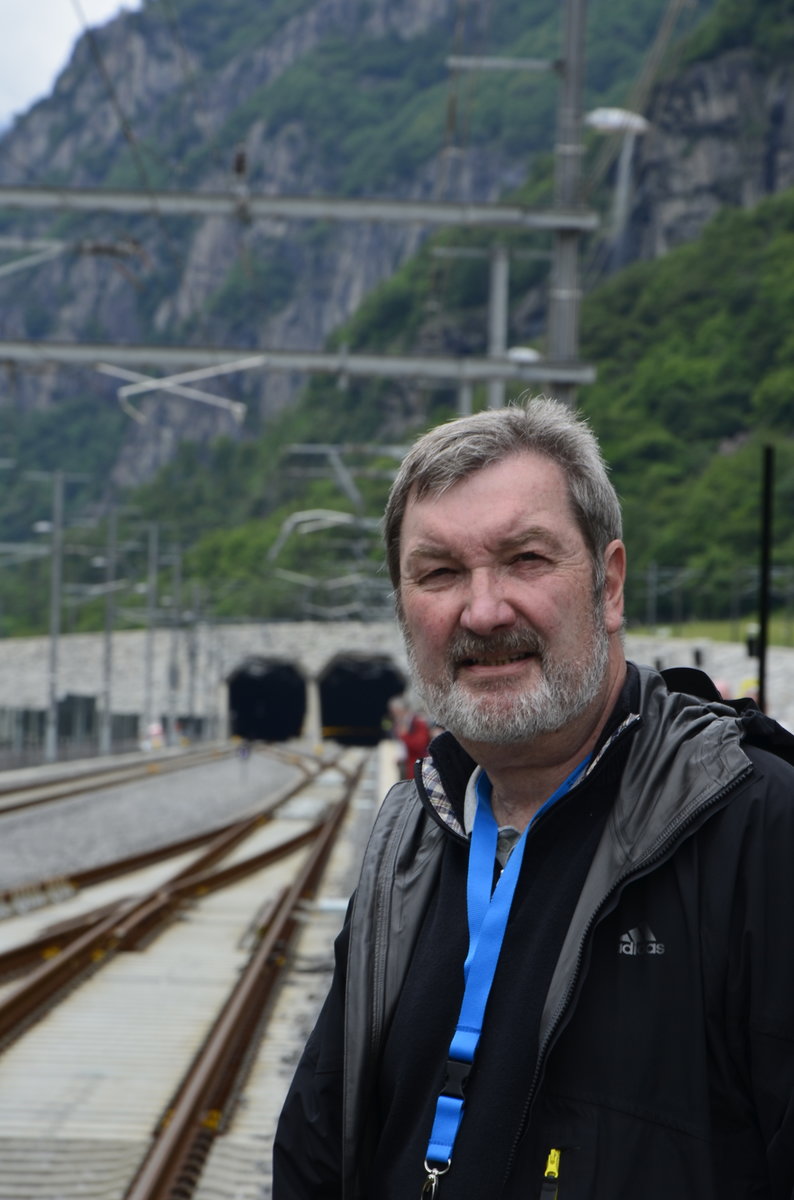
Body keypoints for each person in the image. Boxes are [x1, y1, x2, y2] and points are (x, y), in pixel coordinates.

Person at [273, 399, 794, 1200]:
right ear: (406, 608)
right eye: (440, 572)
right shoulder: (410, 836)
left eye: (525, 559)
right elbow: (318, 1150)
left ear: (610, 585)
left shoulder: (758, 824)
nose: (483, 610)